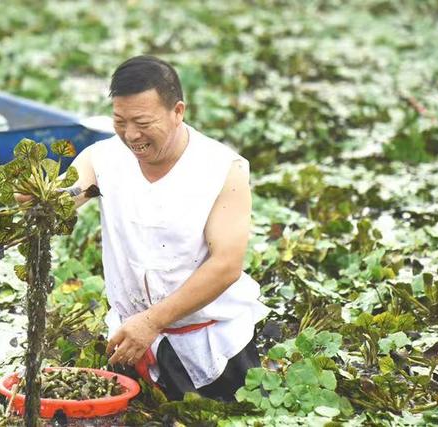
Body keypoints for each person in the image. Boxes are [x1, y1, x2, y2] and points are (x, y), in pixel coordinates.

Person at [20, 55, 269, 401]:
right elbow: (70, 193)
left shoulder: (222, 170)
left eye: (142, 122)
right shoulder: (103, 158)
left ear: (177, 111)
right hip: (130, 339)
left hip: (211, 346)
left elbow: (226, 265)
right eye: (120, 121)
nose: (131, 135)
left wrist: (152, 322)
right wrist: (41, 199)